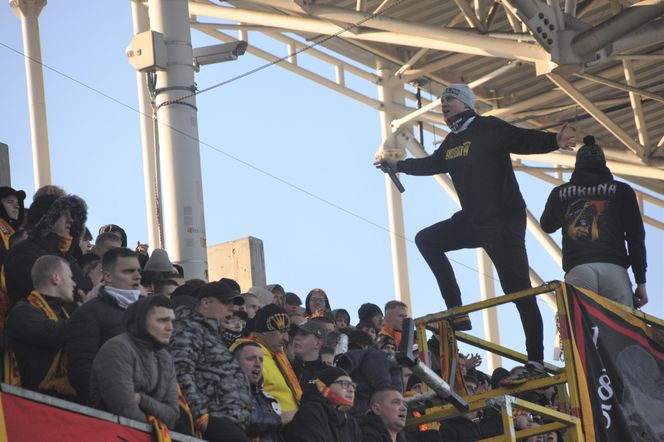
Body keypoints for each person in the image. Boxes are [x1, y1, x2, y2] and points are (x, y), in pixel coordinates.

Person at [377, 84, 576, 378]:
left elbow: (520, 138)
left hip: (503, 222)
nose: (444, 103)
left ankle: (535, 360)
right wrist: (398, 165)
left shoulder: (487, 127)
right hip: (473, 221)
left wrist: (554, 140)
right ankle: (457, 311)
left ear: (466, 103)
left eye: (450, 98)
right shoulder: (451, 141)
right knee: (427, 240)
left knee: (518, 290)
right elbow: (432, 163)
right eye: (442, 99)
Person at [540, 135, 647, 308]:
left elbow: (547, 225)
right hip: (615, 270)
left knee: (583, 329)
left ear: (577, 165)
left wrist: (566, 205)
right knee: (621, 329)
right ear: (603, 163)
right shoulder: (622, 191)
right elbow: (636, 237)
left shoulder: (560, 192)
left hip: (579, 268)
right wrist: (640, 281)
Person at [169, 281, 253, 442]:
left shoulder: (210, 334)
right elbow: (180, 371)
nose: (232, 308)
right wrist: (201, 416)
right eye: (226, 302)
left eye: (234, 304)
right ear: (206, 302)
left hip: (228, 424)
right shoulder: (189, 327)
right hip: (212, 422)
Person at [65, 247, 142, 403]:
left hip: (151, 410)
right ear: (107, 276)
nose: (137, 276)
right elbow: (81, 368)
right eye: (128, 271)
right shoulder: (89, 313)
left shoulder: (149, 313)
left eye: (138, 271)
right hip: (111, 411)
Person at [90, 295, 179, 428]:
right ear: (141, 322)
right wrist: (155, 428)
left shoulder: (165, 357)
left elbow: (172, 416)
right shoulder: (117, 348)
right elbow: (125, 411)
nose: (170, 327)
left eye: (172, 321)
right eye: (162, 320)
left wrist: (142, 399)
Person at [6, 255, 76, 397]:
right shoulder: (23, 312)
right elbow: (55, 334)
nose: (74, 284)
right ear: (56, 278)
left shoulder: (64, 314)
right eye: (70, 277)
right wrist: (87, 313)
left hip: (58, 404)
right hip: (26, 404)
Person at [4, 194, 88, 307]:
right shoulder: (23, 251)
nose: (70, 220)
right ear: (47, 218)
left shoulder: (69, 258)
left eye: (72, 215)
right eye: (64, 214)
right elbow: (46, 295)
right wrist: (90, 282)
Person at [231, 304, 301, 413]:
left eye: (287, 332)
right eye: (281, 332)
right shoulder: (245, 354)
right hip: (273, 427)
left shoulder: (277, 357)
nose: (287, 338)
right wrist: (278, 420)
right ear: (264, 330)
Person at [233, 341, 295, 442]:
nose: (258, 364)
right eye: (250, 359)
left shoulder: (267, 398)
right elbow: (243, 418)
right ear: (235, 363)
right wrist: (280, 419)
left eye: (261, 360)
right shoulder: (226, 390)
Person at [285, 366, 362, 442]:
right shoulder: (311, 411)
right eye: (345, 384)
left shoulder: (351, 423)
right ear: (324, 387)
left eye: (353, 385)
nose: (351, 390)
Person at [292, 320, 329, 388]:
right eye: (296, 333)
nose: (296, 337)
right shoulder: (284, 365)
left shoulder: (328, 375)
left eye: (303, 334)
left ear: (317, 344)